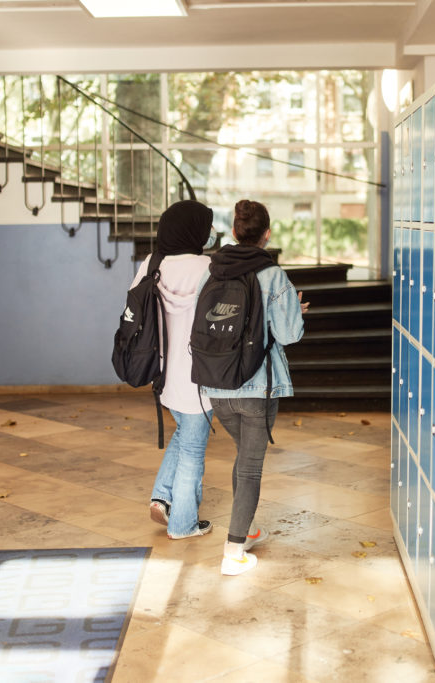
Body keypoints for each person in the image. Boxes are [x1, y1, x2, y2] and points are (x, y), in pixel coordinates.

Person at [200, 199, 309, 576]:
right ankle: (233, 553)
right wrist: (294, 310)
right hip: (257, 387)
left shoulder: (212, 271)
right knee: (249, 468)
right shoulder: (272, 274)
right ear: (266, 234)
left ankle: (243, 532)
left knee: (243, 459)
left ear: (234, 232)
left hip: (216, 385)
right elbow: (289, 334)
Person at [129, 199, 217, 540]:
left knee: (184, 433)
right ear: (194, 229)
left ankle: (162, 497)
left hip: (163, 372)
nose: (210, 232)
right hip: (200, 375)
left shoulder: (154, 263)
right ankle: (183, 524)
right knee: (194, 449)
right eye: (207, 226)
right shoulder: (209, 267)